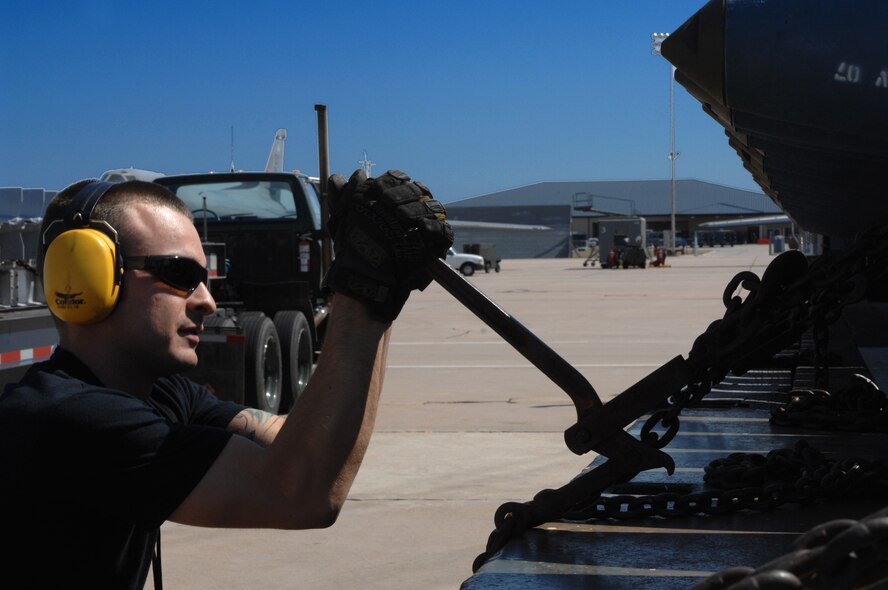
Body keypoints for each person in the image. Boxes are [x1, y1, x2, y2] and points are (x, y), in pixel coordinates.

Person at [0, 170, 452, 588]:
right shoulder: (68, 420)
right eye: (180, 275)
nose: (207, 302)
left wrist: (383, 287)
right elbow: (303, 492)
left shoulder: (161, 395)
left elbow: (302, 449)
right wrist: (366, 292)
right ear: (86, 275)